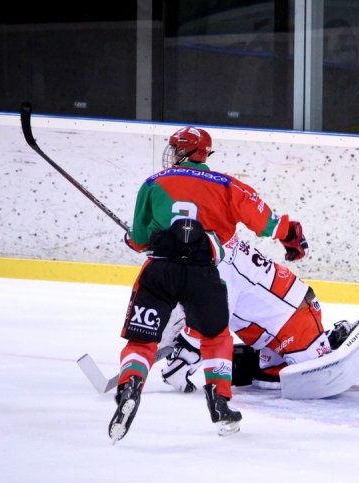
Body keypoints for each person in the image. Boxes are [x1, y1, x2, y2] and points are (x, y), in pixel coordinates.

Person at [109, 126, 308, 443]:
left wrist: (131, 239)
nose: (171, 154)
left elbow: (139, 239)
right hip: (204, 274)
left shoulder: (153, 183)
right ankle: (220, 403)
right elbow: (268, 223)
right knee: (216, 338)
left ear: (184, 152)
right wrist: (291, 236)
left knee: (141, 342)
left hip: (159, 272)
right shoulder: (228, 185)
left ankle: (131, 386)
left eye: (175, 148)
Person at [159, 235, 349, 393]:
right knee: (265, 376)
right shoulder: (214, 245)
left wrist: (183, 358)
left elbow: (211, 321)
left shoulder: (217, 267)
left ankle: (340, 335)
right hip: (269, 335)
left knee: (315, 375)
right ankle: (327, 339)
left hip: (296, 318)